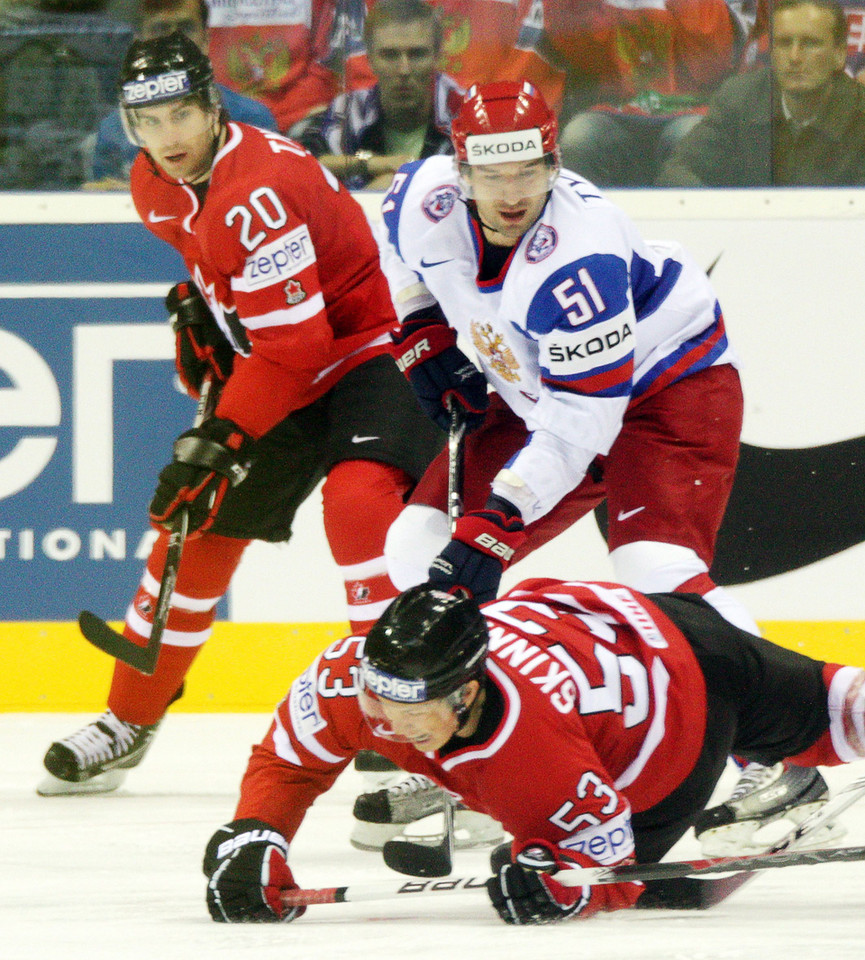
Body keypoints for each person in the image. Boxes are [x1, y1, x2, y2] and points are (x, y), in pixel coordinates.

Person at [367, 77, 827, 854]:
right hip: (536, 384)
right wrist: (419, 330)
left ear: (553, 164)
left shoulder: (576, 261)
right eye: (491, 174)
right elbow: (389, 243)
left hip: (664, 386)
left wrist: (498, 522)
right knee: (415, 548)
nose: (511, 194)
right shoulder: (423, 197)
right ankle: (485, 745)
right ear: (460, 172)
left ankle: (785, 753)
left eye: (528, 173)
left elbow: (582, 427)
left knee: (656, 568)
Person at [37, 30, 443, 797]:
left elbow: (297, 347)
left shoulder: (257, 193)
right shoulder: (152, 184)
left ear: (212, 106)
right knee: (190, 540)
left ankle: (397, 714)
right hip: (290, 358)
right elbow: (258, 312)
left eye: (182, 116)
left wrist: (219, 434)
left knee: (358, 510)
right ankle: (129, 720)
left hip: (371, 352)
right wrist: (208, 310)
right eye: (148, 124)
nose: (168, 140)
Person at [202, 579, 864, 923]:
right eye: (378, 699)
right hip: (633, 624)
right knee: (834, 708)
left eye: (411, 707)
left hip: (673, 736)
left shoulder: (533, 753)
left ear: (465, 694)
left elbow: (606, 864)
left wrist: (567, 888)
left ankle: (772, 806)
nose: (385, 719)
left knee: (840, 711)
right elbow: (289, 760)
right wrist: (256, 834)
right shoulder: (354, 682)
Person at [544, 0, 754, 187]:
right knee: (580, 137)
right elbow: (586, 60)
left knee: (690, 140)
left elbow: (712, 68)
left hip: (691, 111)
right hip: (617, 110)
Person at [658, 0, 865, 187]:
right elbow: (677, 172)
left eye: (810, 44)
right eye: (783, 44)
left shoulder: (860, 113)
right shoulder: (738, 98)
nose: (794, 57)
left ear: (839, 55)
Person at [86, 0, 278, 188]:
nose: (174, 41)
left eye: (186, 28)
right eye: (161, 29)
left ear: (206, 40)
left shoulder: (252, 120)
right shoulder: (114, 129)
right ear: (139, 45)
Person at [296, 0, 460, 191]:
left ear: (438, 56)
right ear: (370, 58)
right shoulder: (349, 109)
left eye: (417, 55)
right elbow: (299, 161)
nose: (404, 70)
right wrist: (373, 163)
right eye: (390, 55)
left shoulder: (465, 111)